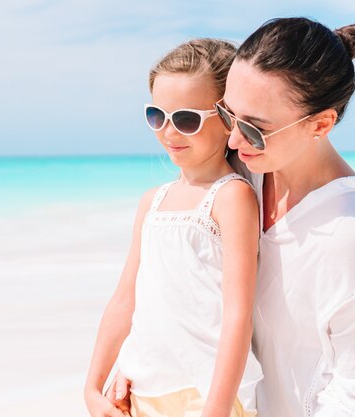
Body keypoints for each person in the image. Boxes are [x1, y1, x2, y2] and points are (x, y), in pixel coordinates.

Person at [108, 17, 355, 417]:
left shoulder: (351, 235)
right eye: (229, 115)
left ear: (321, 124)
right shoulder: (250, 170)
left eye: (254, 129)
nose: (232, 140)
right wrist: (140, 363)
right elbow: (178, 286)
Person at [83, 38, 263, 417]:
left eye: (186, 119)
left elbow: (237, 315)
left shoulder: (230, 198)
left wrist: (215, 410)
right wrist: (92, 387)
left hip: (207, 395)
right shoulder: (153, 201)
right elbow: (124, 300)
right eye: (156, 116)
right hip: (141, 390)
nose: (168, 132)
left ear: (228, 118)